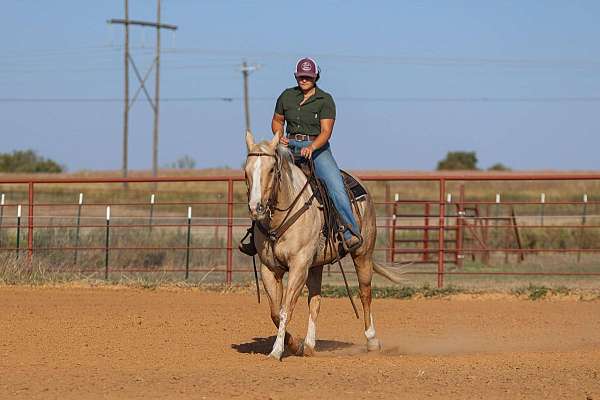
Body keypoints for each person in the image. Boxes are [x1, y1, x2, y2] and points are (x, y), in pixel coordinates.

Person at [239, 57, 362, 255]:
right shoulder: (286, 96)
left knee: (335, 184)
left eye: (308, 76)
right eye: (301, 76)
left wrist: (312, 147)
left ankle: (349, 232)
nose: (304, 80)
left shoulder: (325, 100)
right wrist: (279, 137)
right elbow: (277, 121)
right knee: (266, 181)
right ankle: (256, 234)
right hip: (289, 146)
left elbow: (326, 131)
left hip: (318, 148)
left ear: (315, 77)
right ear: (296, 76)